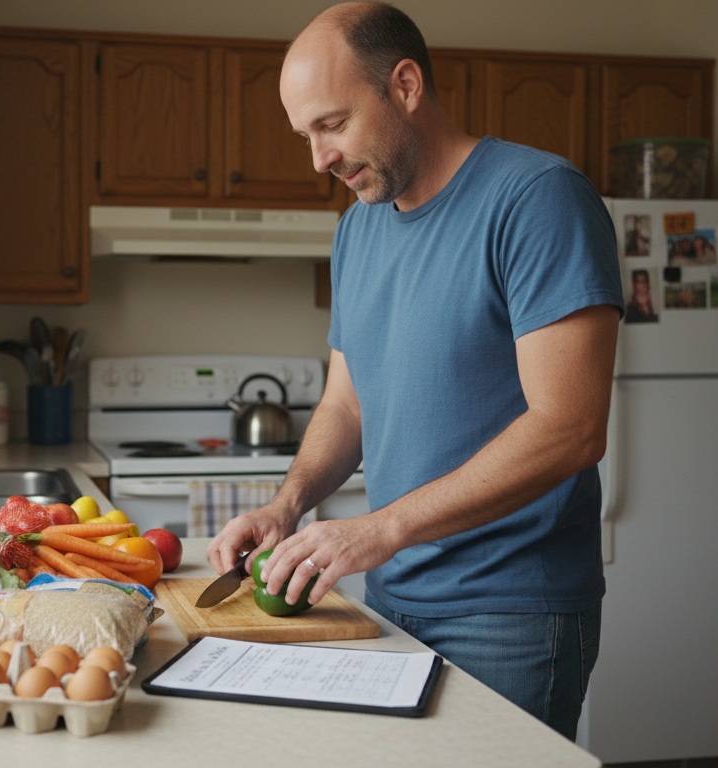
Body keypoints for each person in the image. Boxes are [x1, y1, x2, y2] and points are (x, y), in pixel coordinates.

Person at [205, 2, 623, 741]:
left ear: (404, 86)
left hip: (511, 613)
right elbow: (346, 406)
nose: (318, 159)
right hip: (389, 600)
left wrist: (379, 530)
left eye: (331, 125)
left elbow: (572, 428)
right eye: (305, 135)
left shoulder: (536, 199)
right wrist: (288, 504)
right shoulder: (358, 229)